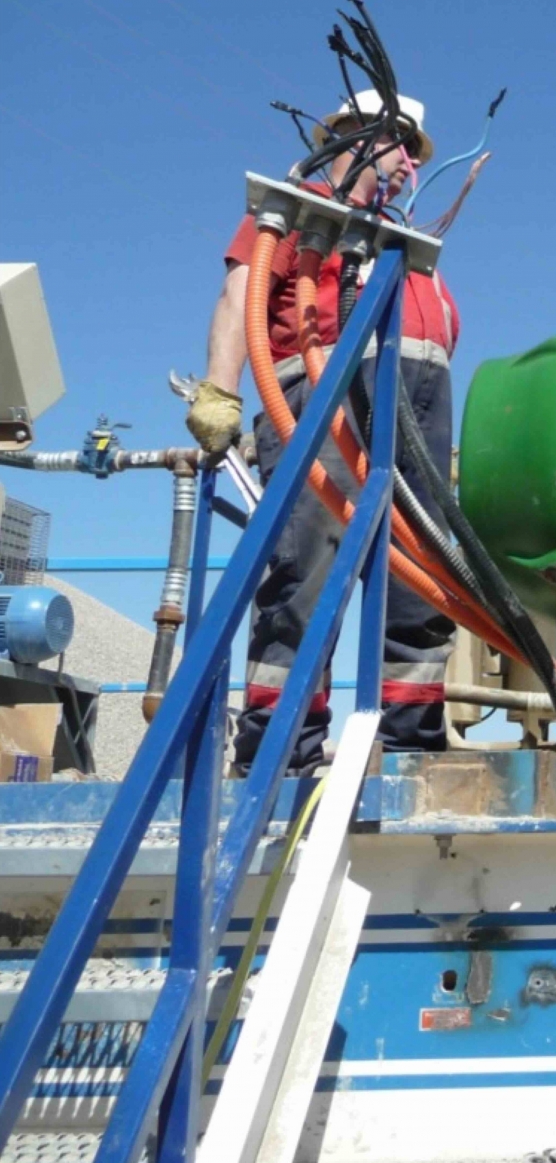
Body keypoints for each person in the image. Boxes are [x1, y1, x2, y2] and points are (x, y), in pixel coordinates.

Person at [185, 91, 462, 773]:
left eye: (412, 151)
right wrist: (220, 391)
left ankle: (411, 741)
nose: (407, 163)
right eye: (398, 143)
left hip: (414, 412)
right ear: (351, 137)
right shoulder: (299, 211)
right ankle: (280, 749)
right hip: (319, 401)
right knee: (308, 571)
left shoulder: (401, 240)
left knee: (423, 576)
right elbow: (238, 296)